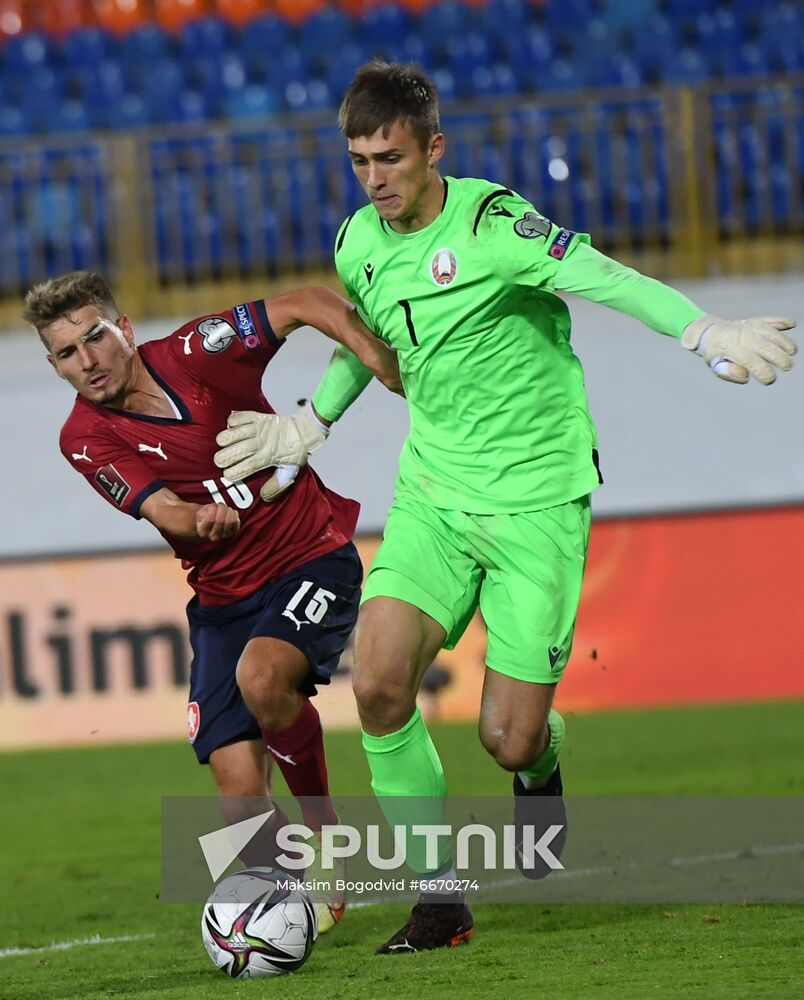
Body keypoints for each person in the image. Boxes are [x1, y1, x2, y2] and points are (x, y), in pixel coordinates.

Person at [212, 60, 797, 953]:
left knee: (508, 739)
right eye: (360, 161)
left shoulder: (495, 225)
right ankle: (439, 902)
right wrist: (308, 423)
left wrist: (702, 330)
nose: (376, 180)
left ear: (433, 148)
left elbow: (602, 274)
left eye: (391, 159)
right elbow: (370, 340)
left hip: (536, 503)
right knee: (374, 684)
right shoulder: (357, 242)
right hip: (435, 497)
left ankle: (543, 764)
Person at [23, 270, 401, 933]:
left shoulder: (201, 350)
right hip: (223, 598)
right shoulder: (82, 437)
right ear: (54, 366)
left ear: (125, 330)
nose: (86, 363)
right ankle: (278, 922)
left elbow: (305, 302)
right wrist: (195, 518)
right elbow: (162, 508)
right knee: (235, 802)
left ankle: (329, 847)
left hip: (310, 553)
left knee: (262, 678)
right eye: (65, 354)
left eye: (94, 339)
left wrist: (373, 356)